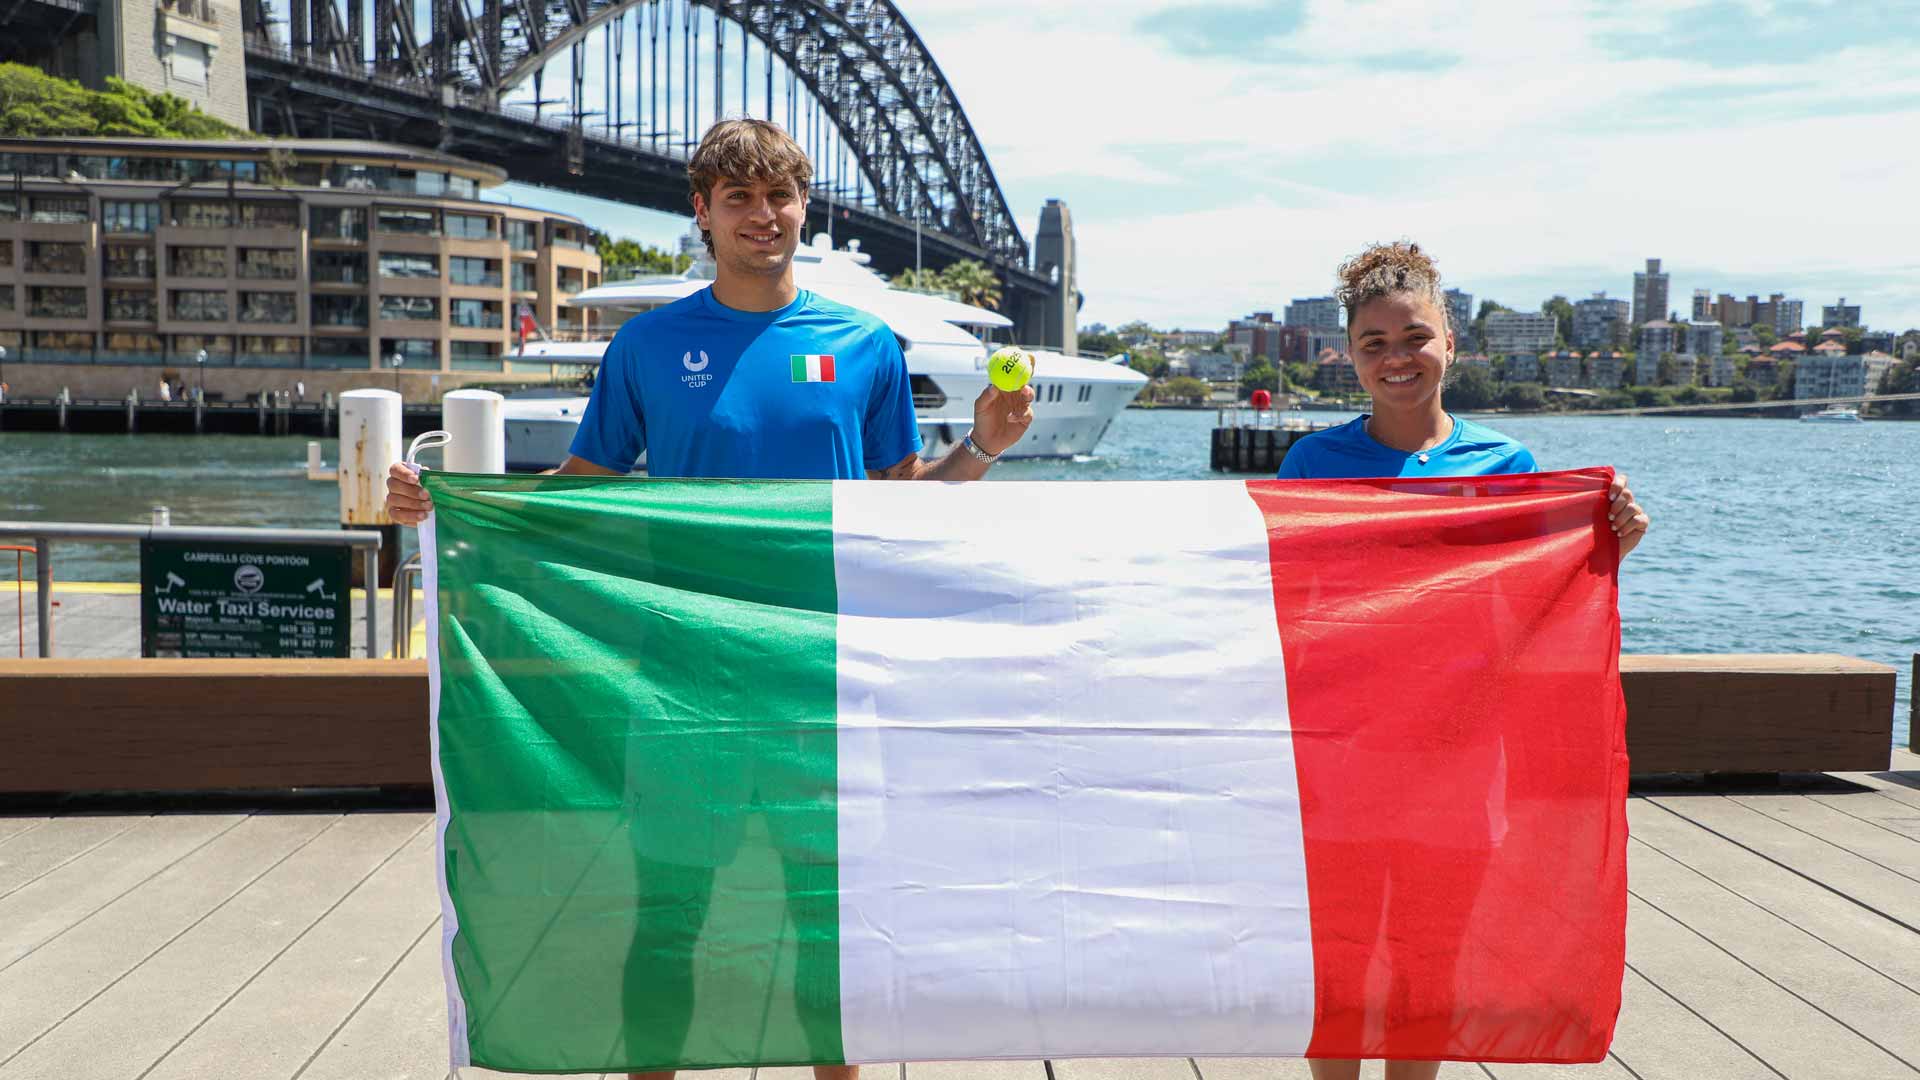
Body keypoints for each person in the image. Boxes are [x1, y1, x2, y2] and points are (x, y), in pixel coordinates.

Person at [385, 118, 1036, 1080]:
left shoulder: (864, 345)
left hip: (821, 674)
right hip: (682, 675)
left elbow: (903, 510)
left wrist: (981, 447)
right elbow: (576, 495)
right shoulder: (649, 345)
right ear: (703, 211)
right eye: (739, 198)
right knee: (669, 915)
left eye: (779, 196)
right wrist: (444, 507)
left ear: (803, 207)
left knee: (826, 923)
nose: (762, 215)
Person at [1280, 242, 1646, 1080]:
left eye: (1415, 336)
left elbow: (1533, 604)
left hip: (1459, 754)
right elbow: (1282, 606)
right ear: (1349, 356)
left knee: (1431, 959)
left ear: (1450, 341)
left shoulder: (1507, 467)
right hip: (1340, 755)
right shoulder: (1311, 465)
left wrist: (1607, 546)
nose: (1397, 357)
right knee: (1340, 963)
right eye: (1374, 342)